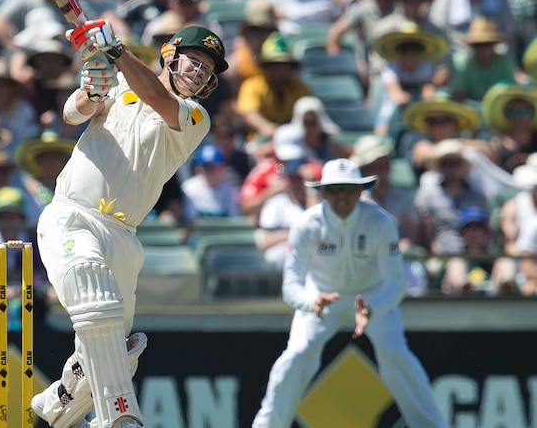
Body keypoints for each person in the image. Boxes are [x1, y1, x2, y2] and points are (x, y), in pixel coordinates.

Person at [30, 21, 229, 428]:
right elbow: (72, 114)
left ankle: (53, 408)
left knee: (119, 349)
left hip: (123, 238)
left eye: (207, 71)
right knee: (96, 304)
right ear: (170, 55)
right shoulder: (120, 86)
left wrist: (117, 51)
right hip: (73, 216)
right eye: (194, 62)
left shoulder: (195, 118)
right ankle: (122, 420)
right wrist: (93, 91)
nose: (199, 73)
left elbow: (155, 95)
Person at [251, 158, 446, 428]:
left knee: (395, 353)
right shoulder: (307, 225)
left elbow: (395, 284)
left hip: (372, 297)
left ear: (360, 191)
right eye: (333, 189)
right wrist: (311, 303)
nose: (341, 196)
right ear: (323, 192)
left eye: (348, 188)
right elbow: (291, 285)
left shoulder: (380, 223)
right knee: (297, 355)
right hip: (321, 297)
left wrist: (372, 307)